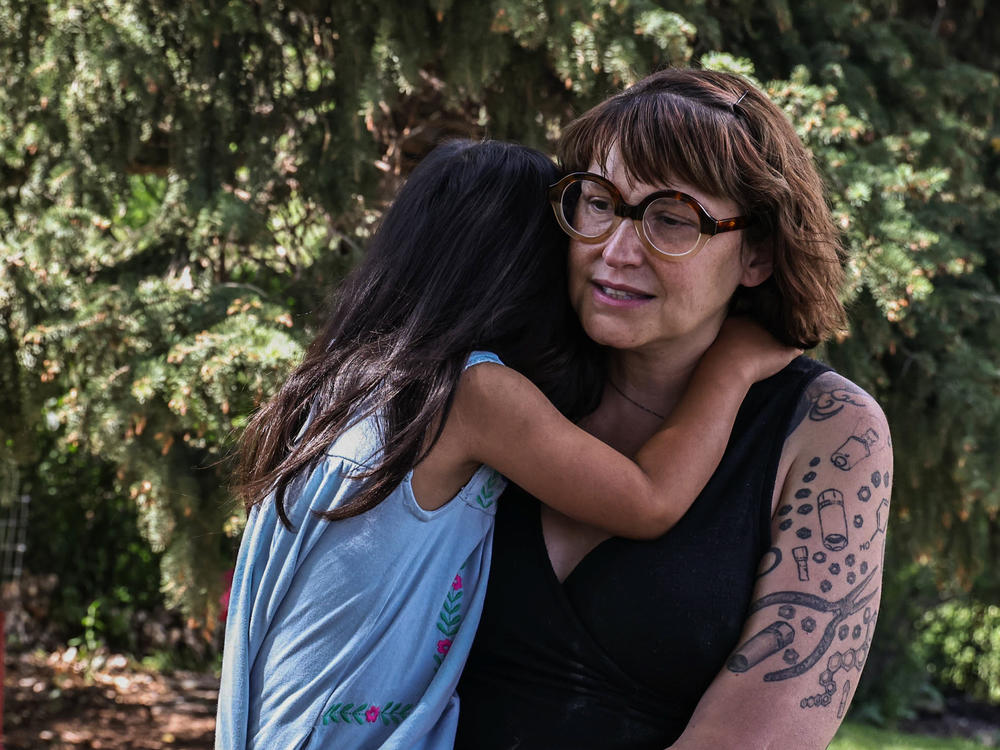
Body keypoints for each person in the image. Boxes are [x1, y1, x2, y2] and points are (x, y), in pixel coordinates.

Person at [214, 138, 796, 750]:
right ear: (524, 264)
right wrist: (730, 369)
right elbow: (648, 500)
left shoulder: (339, 386)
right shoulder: (472, 393)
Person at [456, 68, 892, 750]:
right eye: (599, 203)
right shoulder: (494, 388)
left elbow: (759, 735)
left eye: (671, 219)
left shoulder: (828, 430)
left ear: (758, 255)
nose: (615, 251)